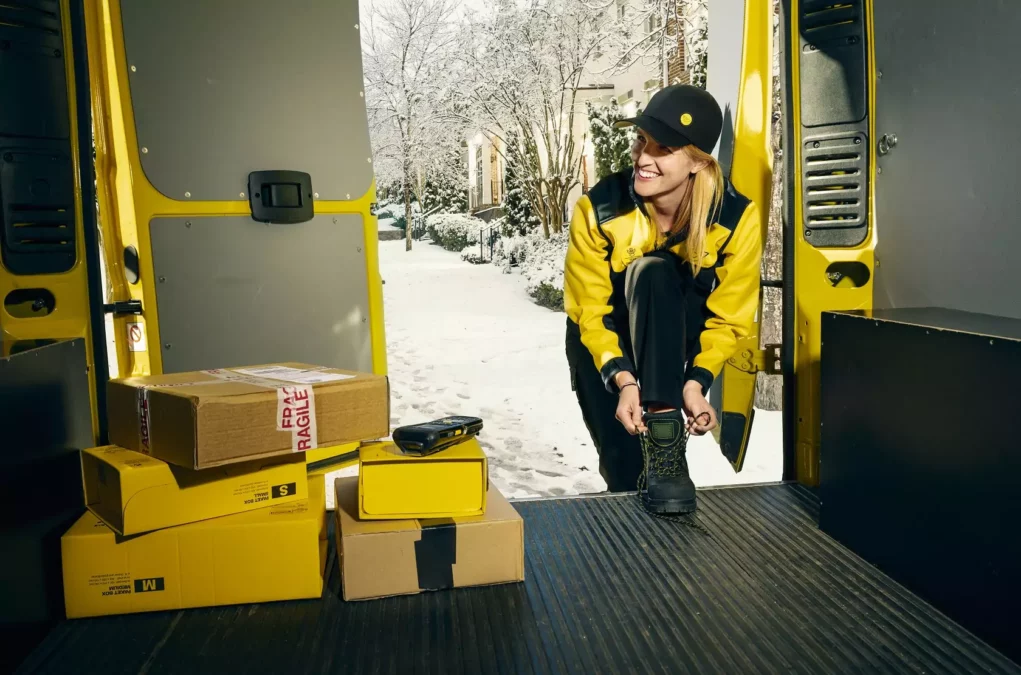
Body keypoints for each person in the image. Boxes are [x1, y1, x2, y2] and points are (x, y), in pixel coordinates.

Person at [563, 84, 762, 515]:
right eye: (641, 141)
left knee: (657, 270)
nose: (642, 158)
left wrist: (696, 381)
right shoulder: (598, 209)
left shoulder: (734, 218)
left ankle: (666, 438)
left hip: (675, 342)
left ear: (697, 162)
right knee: (624, 471)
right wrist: (623, 380)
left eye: (663, 149)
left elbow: (730, 317)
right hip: (605, 343)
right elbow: (590, 311)